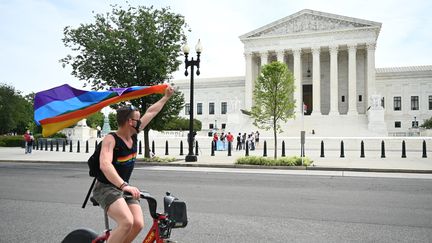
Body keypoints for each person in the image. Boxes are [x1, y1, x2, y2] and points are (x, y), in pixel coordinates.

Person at [92, 84, 174, 243]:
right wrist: (124, 186)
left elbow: (152, 111)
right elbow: (105, 165)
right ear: (130, 122)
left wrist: (166, 97)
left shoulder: (134, 134)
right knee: (126, 222)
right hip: (105, 188)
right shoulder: (111, 139)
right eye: (138, 118)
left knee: (137, 224)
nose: (140, 120)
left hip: (122, 187)